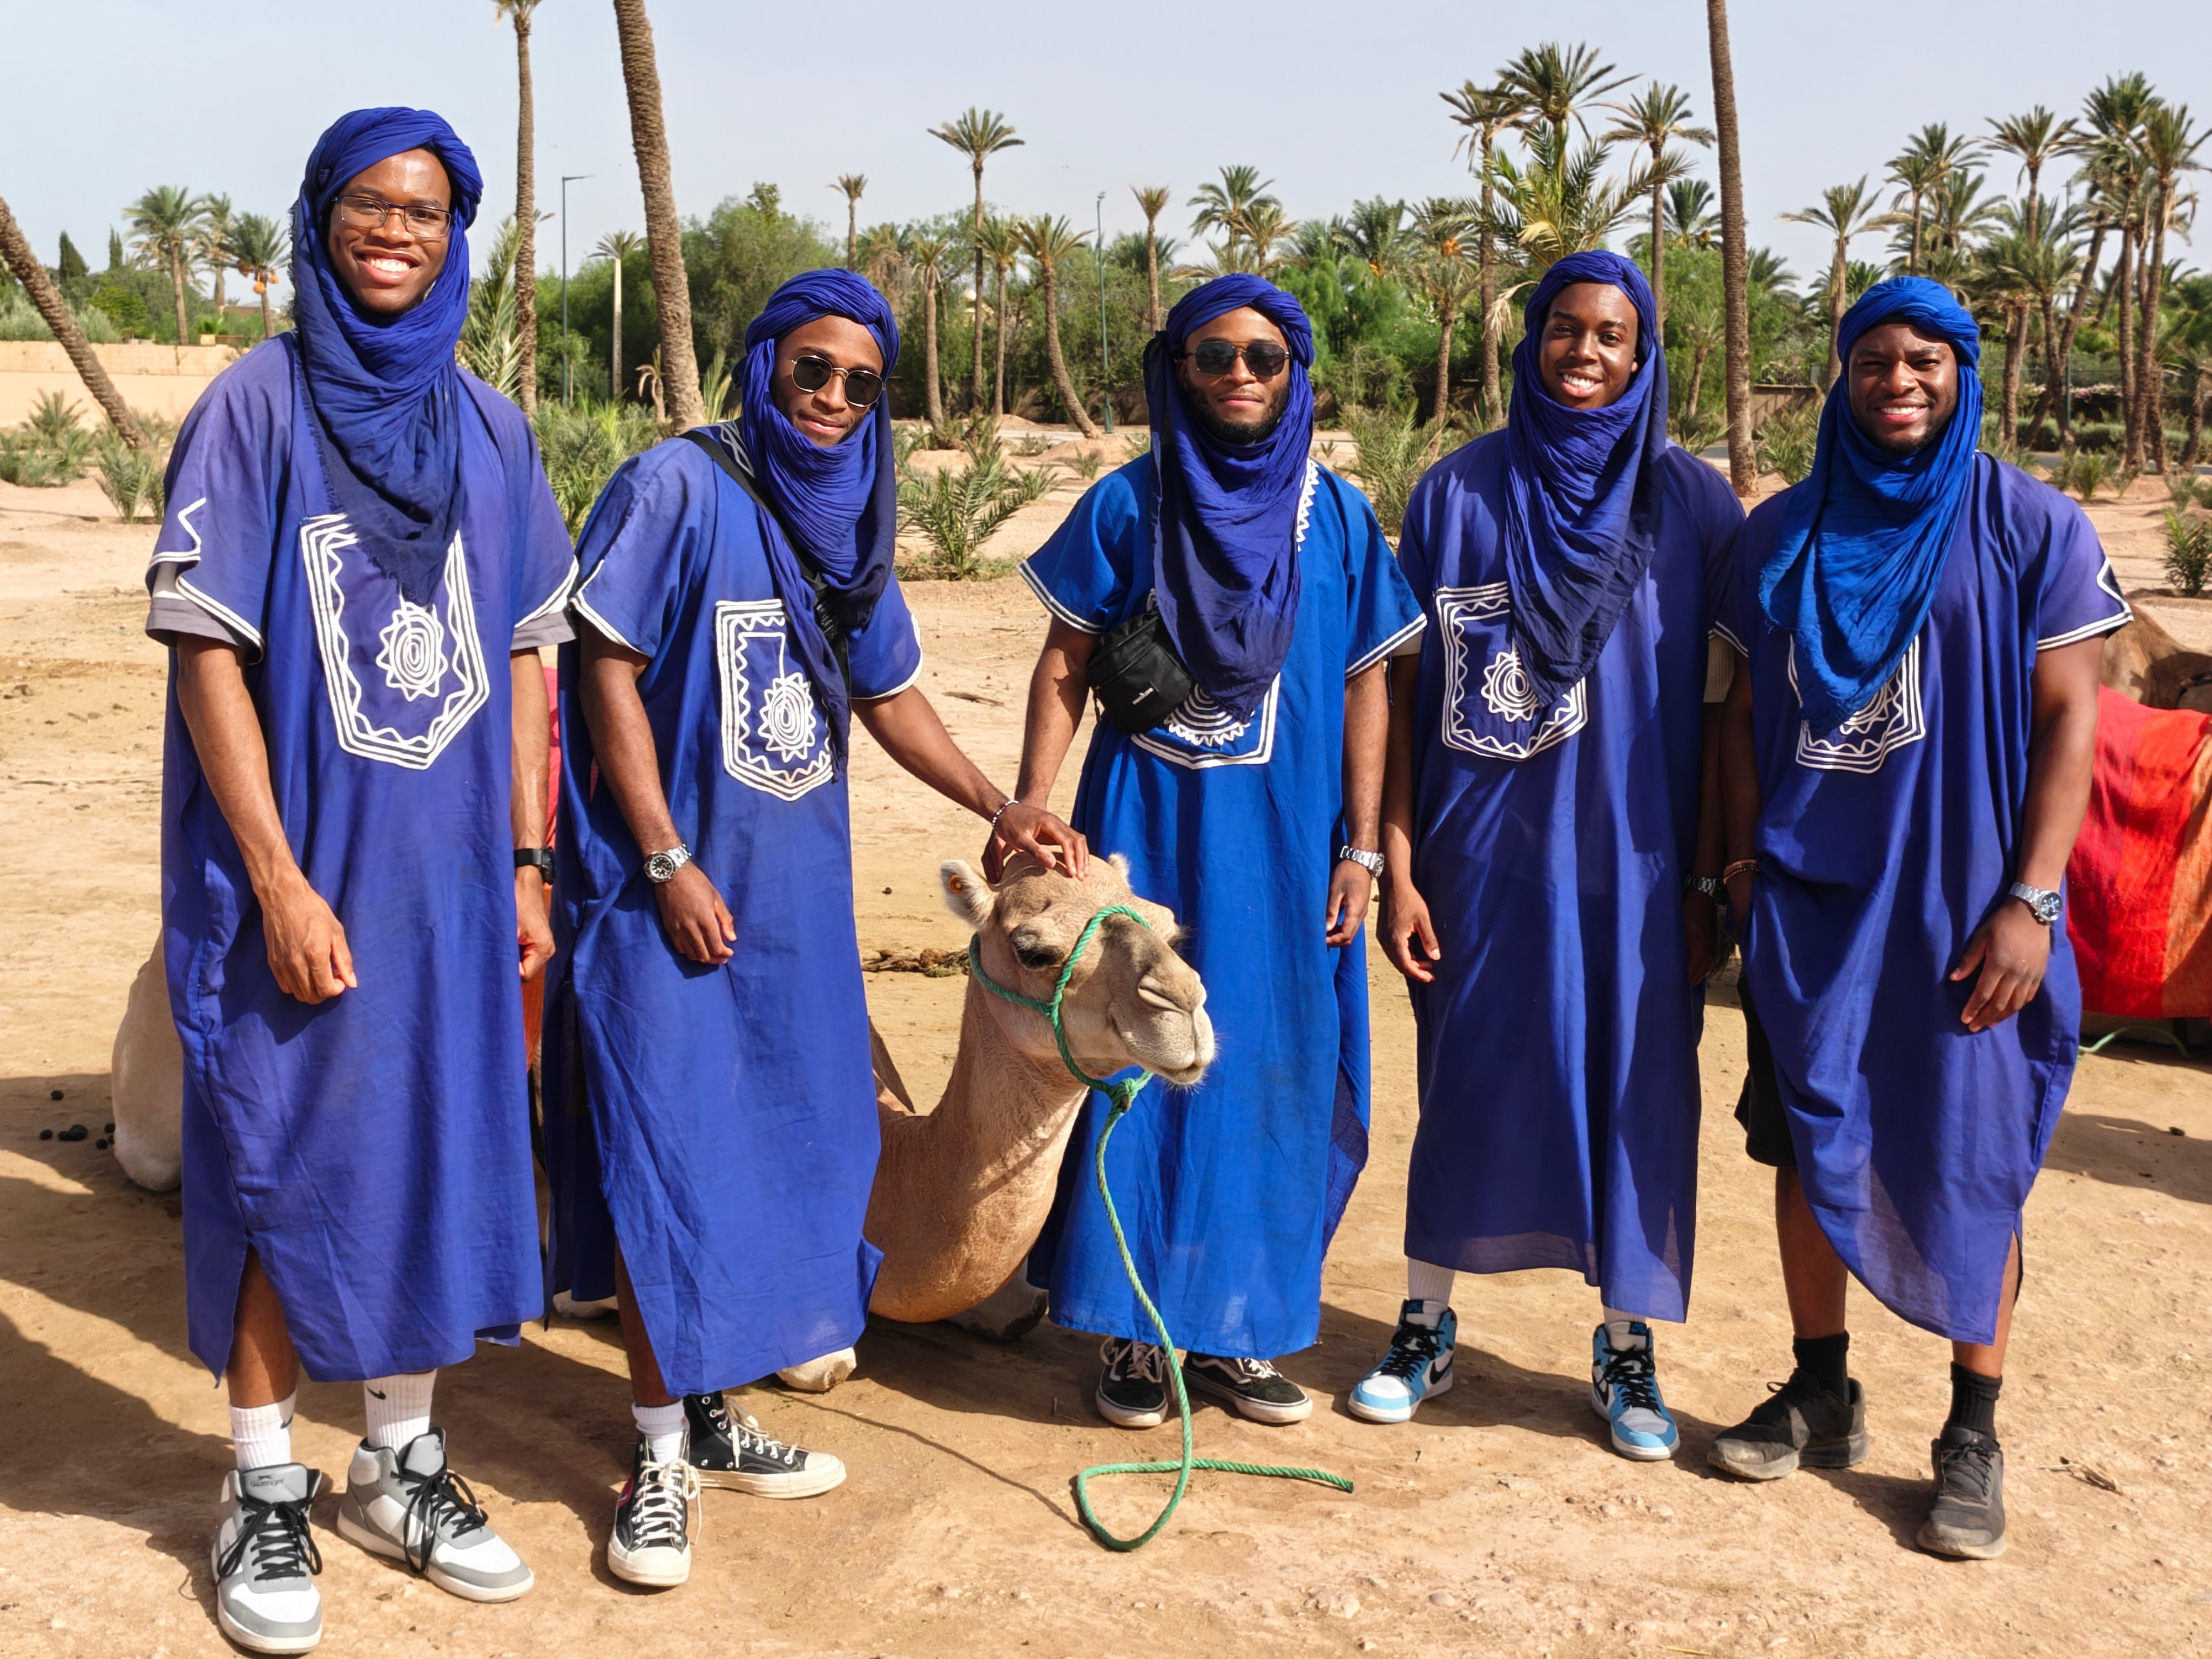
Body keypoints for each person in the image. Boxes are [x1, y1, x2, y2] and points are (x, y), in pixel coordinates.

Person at [541, 268, 1084, 1590]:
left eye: (860, 382)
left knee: (794, 1148)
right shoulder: (675, 487)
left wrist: (999, 805)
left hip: (789, 907)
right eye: (812, 371)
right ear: (762, 366)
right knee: (673, 1153)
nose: (835, 399)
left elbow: (888, 693)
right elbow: (600, 662)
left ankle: (716, 1412)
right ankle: (658, 1459)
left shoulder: (845, 528)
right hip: (664, 895)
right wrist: (664, 855)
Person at [146, 110, 570, 1654]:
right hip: (304, 869)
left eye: (428, 209)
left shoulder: (492, 429)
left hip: (451, 877)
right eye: (369, 205)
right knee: (288, 1152)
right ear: (320, 216)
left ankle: (399, 1461)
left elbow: (529, 658)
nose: (398, 231)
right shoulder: (252, 409)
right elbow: (208, 653)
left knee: (438, 1150)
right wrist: (274, 876)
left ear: (461, 235)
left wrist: (525, 862)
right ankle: (261, 1481)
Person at [1708, 277, 2122, 1559]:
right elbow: (1730, 722)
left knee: (1969, 1157)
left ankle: (1970, 1431)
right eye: (1875, 357)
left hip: (1963, 913)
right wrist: (1736, 874)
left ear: (1962, 375)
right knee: (1801, 1147)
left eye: (1927, 359)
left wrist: (2030, 899)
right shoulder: (1772, 537)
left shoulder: (2028, 528)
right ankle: (1819, 1386)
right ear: (1840, 373)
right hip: (1807, 908)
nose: (1899, 379)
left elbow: (2070, 720)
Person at [1011, 275, 1424, 1429]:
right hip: (1143, 840)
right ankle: (1134, 1330)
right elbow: (1062, 664)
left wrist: (1360, 849)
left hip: (1290, 853)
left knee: (1272, 1068)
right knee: (1134, 1057)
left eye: (1261, 358)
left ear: (1294, 375)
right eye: (1212, 357)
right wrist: (1030, 809)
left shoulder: (1337, 517)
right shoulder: (1127, 506)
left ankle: (1237, 1326)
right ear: (1176, 372)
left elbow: (1362, 688)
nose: (1238, 376)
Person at [1350, 251, 1743, 1458]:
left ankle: (1627, 1345)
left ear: (1644, 355)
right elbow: (1408, 694)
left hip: (1631, 875)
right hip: (1480, 863)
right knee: (1466, 1082)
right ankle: (1424, 1321)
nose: (1583, 352)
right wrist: (1398, 863)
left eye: (1610, 335)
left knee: (1638, 1094)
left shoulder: (1693, 508)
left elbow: (1724, 717)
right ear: (1532, 343)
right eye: (1563, 329)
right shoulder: (1457, 493)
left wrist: (1708, 880)